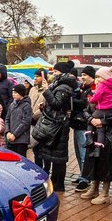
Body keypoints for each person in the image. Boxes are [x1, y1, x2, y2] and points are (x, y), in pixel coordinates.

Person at [34, 61, 78, 190]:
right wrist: (45, 106)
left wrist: (46, 91)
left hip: (59, 125)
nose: (53, 74)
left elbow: (57, 104)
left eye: (56, 71)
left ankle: (59, 183)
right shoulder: (59, 84)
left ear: (62, 72)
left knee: (59, 156)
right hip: (55, 123)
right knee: (53, 154)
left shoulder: (64, 86)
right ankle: (55, 180)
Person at [85, 66, 112, 153]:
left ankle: (89, 139)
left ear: (104, 77)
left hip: (102, 111)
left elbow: (96, 97)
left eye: (98, 77)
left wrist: (90, 100)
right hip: (108, 112)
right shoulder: (111, 88)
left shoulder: (102, 86)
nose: (97, 79)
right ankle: (97, 149)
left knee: (91, 122)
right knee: (100, 129)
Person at [71, 67, 94, 190]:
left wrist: (72, 99)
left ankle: (85, 179)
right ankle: (82, 175)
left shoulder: (92, 90)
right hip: (77, 124)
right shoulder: (83, 88)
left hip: (84, 125)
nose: (82, 77)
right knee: (78, 153)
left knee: (84, 153)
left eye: (85, 75)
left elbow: (85, 104)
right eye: (82, 75)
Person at [5, 84, 32, 157]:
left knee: (20, 159)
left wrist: (15, 134)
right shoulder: (12, 105)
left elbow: (26, 122)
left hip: (21, 140)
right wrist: (7, 132)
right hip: (10, 138)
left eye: (15, 93)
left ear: (21, 93)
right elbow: (7, 119)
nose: (13, 94)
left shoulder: (26, 106)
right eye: (12, 92)